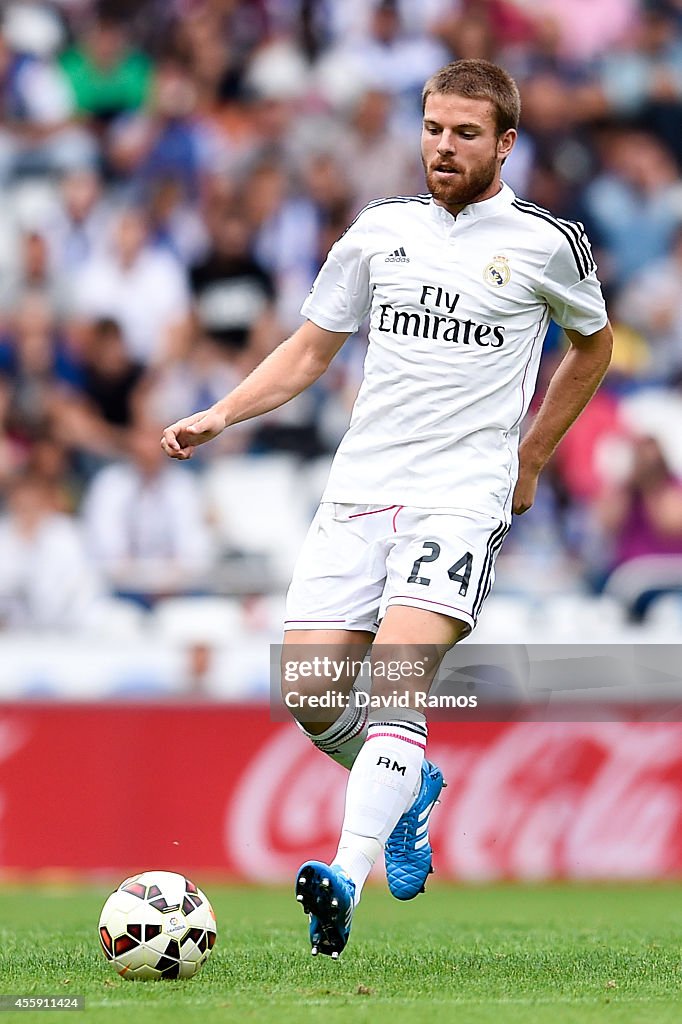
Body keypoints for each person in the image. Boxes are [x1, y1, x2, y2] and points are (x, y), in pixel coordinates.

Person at [161, 59, 612, 958]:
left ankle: (344, 880)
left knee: (401, 678)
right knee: (312, 694)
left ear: (506, 144)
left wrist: (529, 458)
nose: (445, 147)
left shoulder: (545, 242)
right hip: (360, 490)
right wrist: (219, 414)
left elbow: (591, 351)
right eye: (434, 129)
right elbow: (307, 349)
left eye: (466, 134)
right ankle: (405, 787)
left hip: (460, 498)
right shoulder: (378, 232)